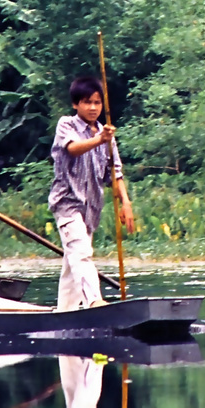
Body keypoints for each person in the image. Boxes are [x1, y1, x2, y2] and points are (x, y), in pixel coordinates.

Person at [50, 77, 135, 310]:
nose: (93, 108)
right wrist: (99, 139)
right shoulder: (67, 125)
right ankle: (94, 302)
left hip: (91, 209)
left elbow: (115, 173)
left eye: (97, 102)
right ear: (76, 104)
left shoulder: (106, 135)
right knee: (81, 253)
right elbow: (73, 148)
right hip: (67, 204)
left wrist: (125, 202)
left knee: (73, 264)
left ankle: (63, 313)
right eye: (87, 102)